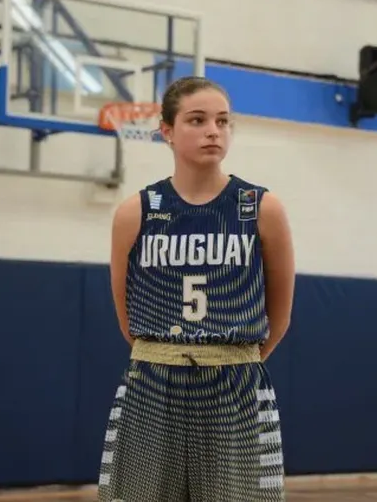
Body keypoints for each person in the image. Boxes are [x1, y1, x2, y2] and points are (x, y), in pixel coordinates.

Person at [98, 76, 296, 502]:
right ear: (167, 131)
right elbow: (127, 318)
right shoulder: (136, 212)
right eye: (197, 120)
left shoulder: (261, 208)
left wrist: (231, 359)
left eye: (222, 121)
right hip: (152, 383)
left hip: (235, 385)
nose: (213, 131)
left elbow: (279, 317)